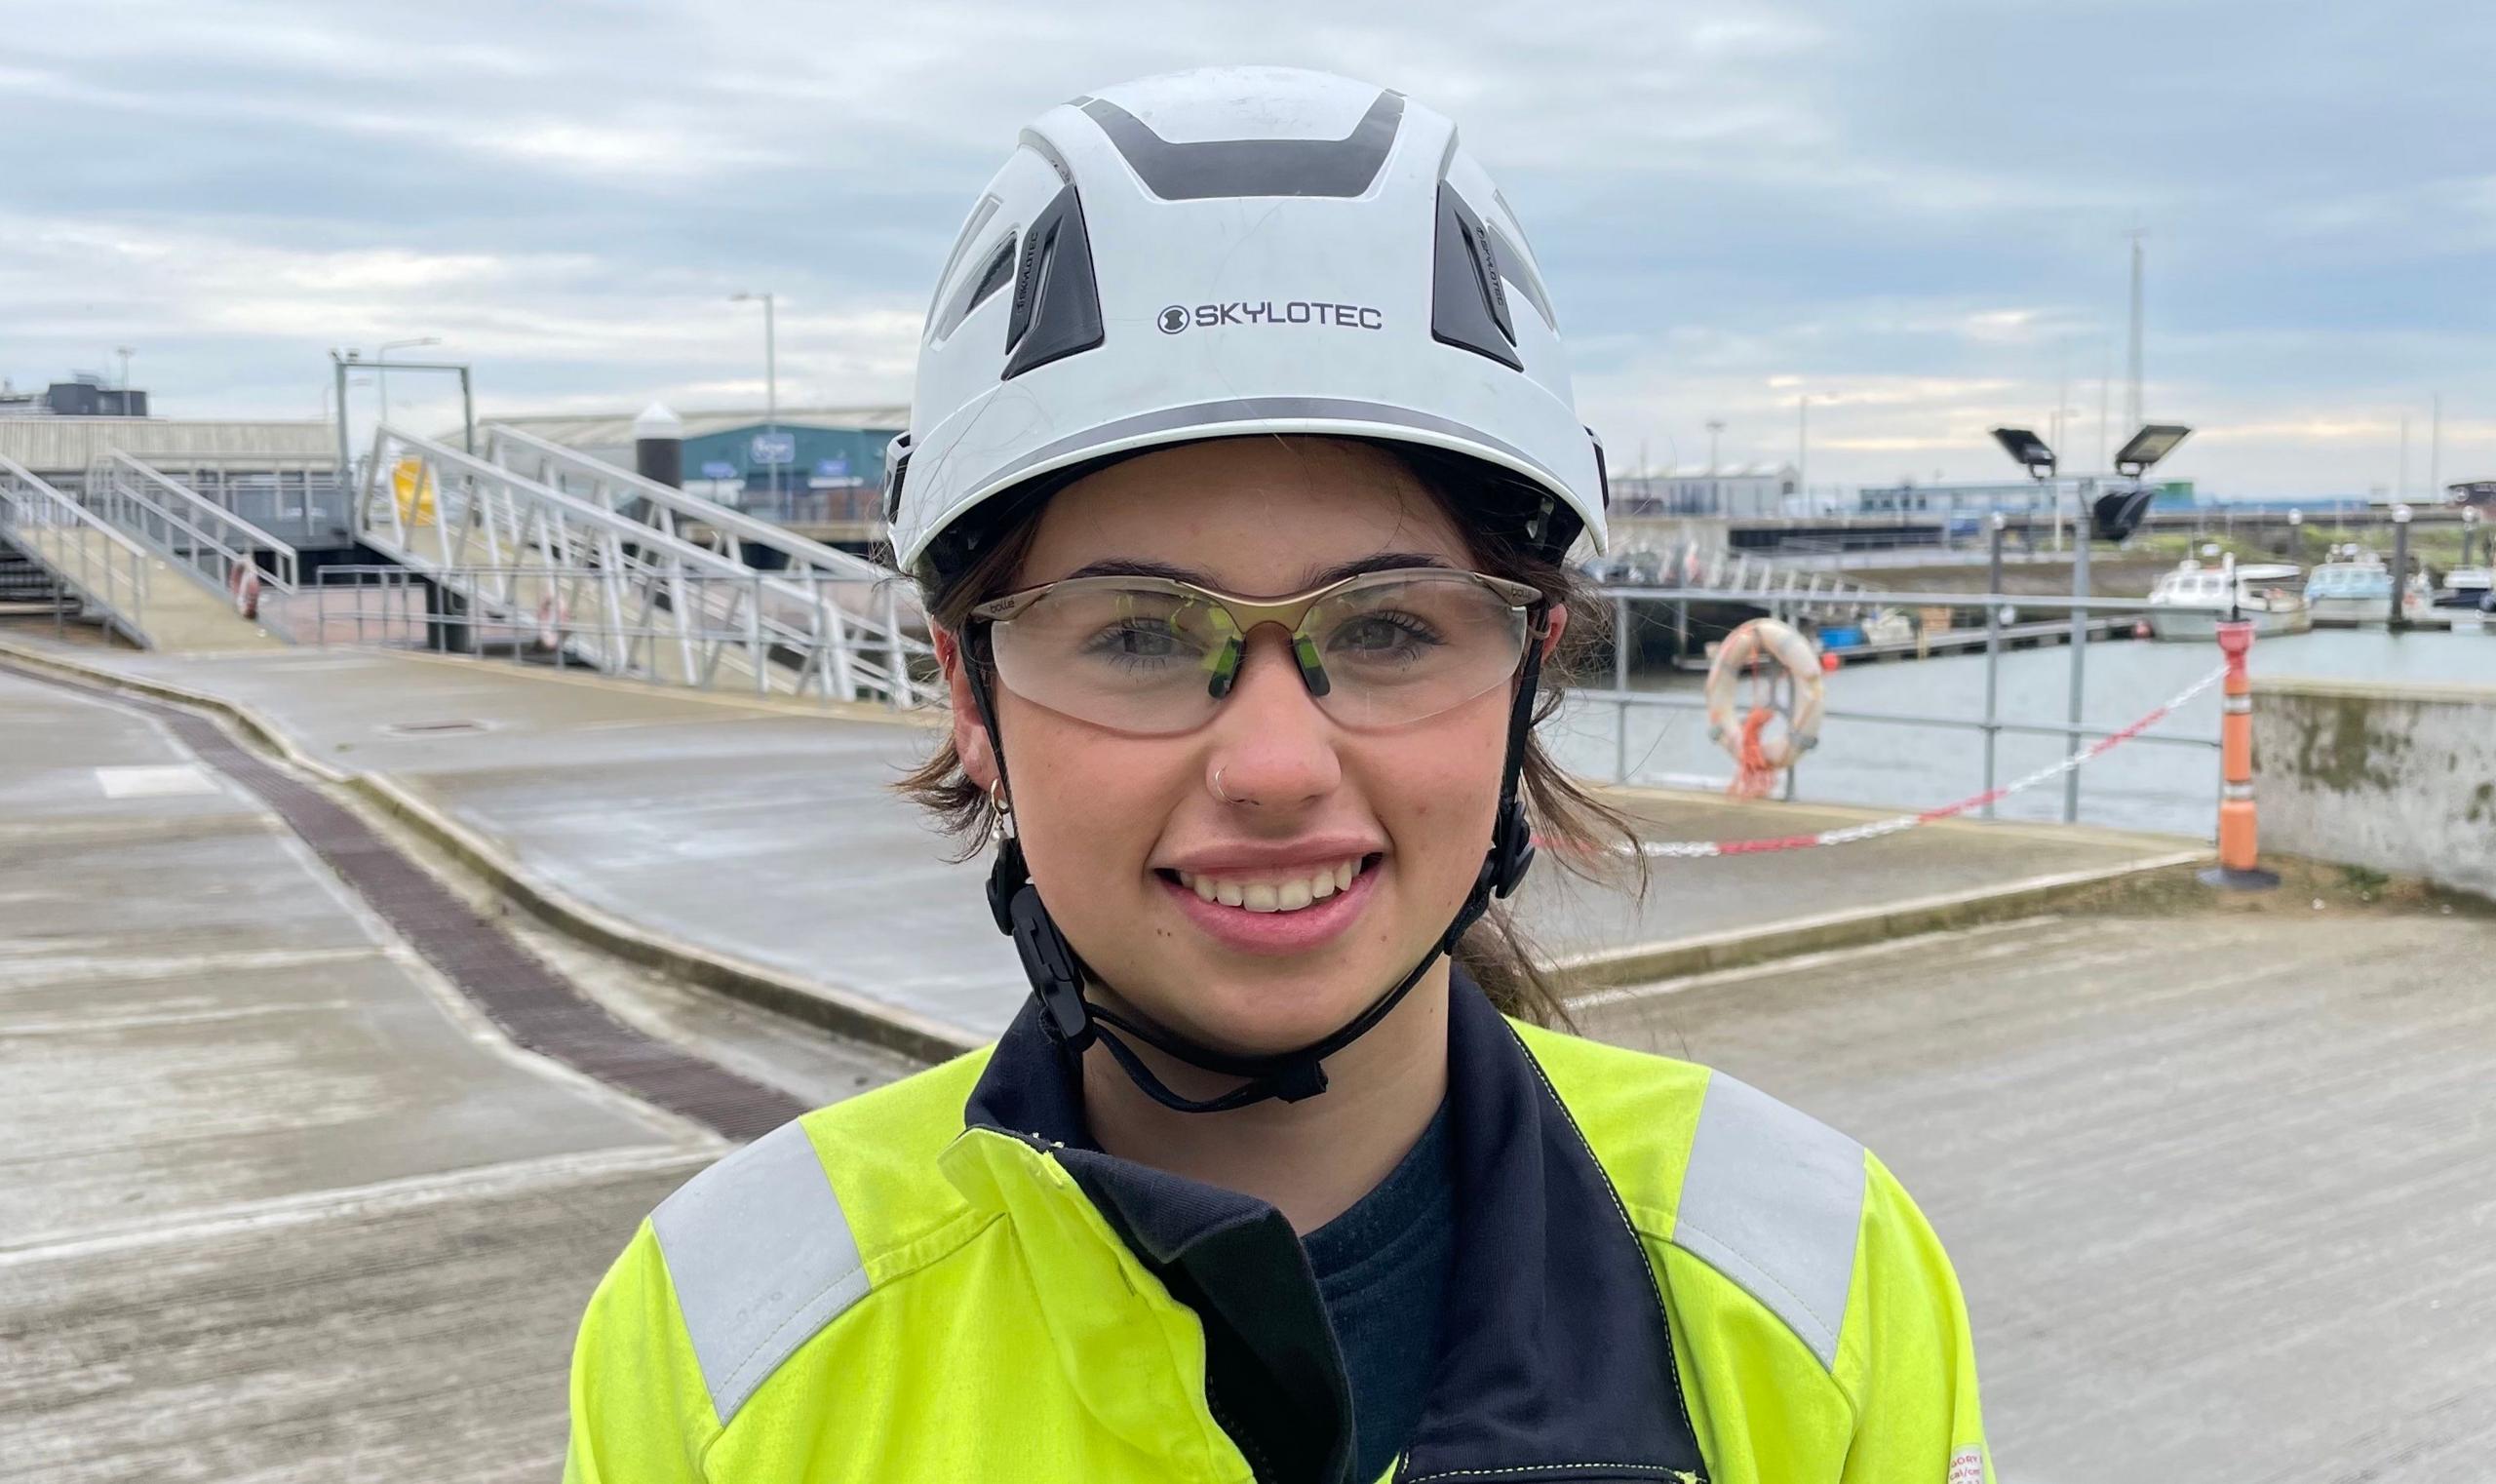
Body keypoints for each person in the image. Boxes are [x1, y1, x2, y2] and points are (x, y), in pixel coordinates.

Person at [566, 65, 1992, 1484]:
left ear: (1529, 669)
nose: (1270, 766)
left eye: (1386, 627)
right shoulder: (726, 1350)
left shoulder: (1815, 1282)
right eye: (1134, 631)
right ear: (970, 694)